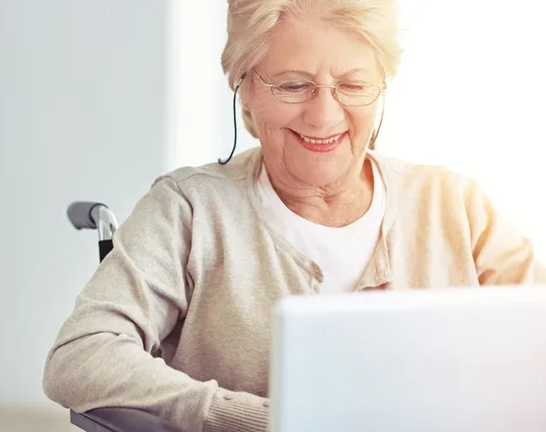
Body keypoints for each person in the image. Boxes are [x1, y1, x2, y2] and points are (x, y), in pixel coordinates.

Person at [42, 0, 546, 430]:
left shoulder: (454, 205)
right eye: (292, 85)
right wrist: (251, 418)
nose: (324, 116)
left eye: (352, 85)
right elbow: (81, 355)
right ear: (245, 94)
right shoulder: (190, 210)